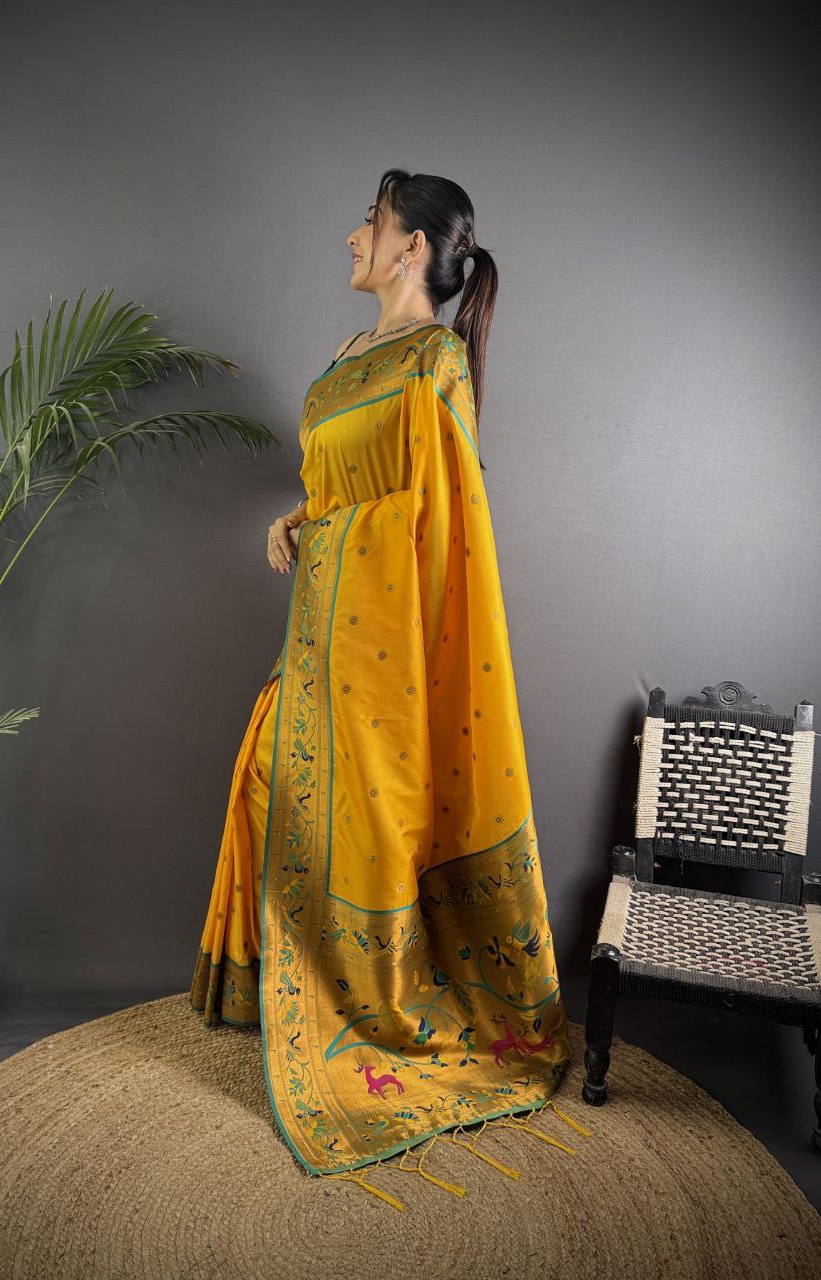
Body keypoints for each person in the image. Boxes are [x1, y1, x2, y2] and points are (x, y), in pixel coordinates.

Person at [190, 168, 588, 1205]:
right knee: (269, 785)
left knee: (368, 824)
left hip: (383, 645)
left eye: (367, 223)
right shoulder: (346, 357)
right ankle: (287, 992)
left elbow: (441, 515)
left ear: (412, 247)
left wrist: (336, 533)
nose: (349, 237)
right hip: (319, 633)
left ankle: (370, 1009)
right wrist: (294, 517)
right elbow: (341, 485)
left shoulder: (433, 361)